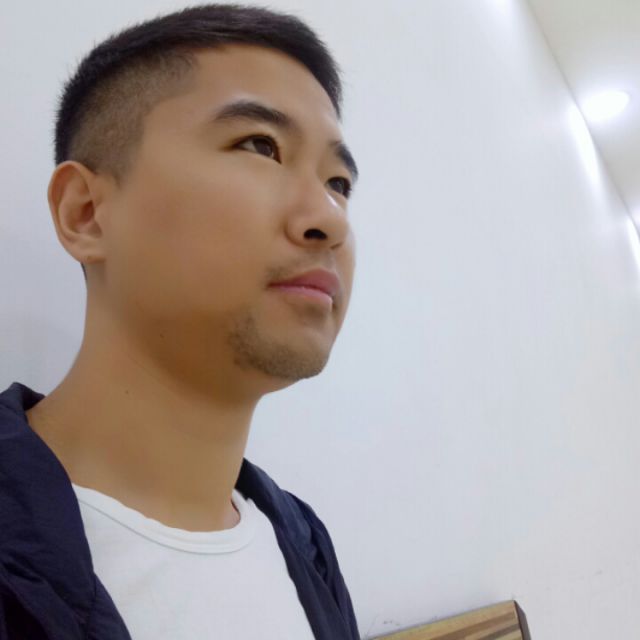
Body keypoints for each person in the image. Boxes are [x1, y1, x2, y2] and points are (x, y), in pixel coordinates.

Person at [0, 4, 360, 639]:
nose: (330, 218)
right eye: (261, 146)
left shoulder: (306, 546)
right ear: (86, 213)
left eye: (339, 182)